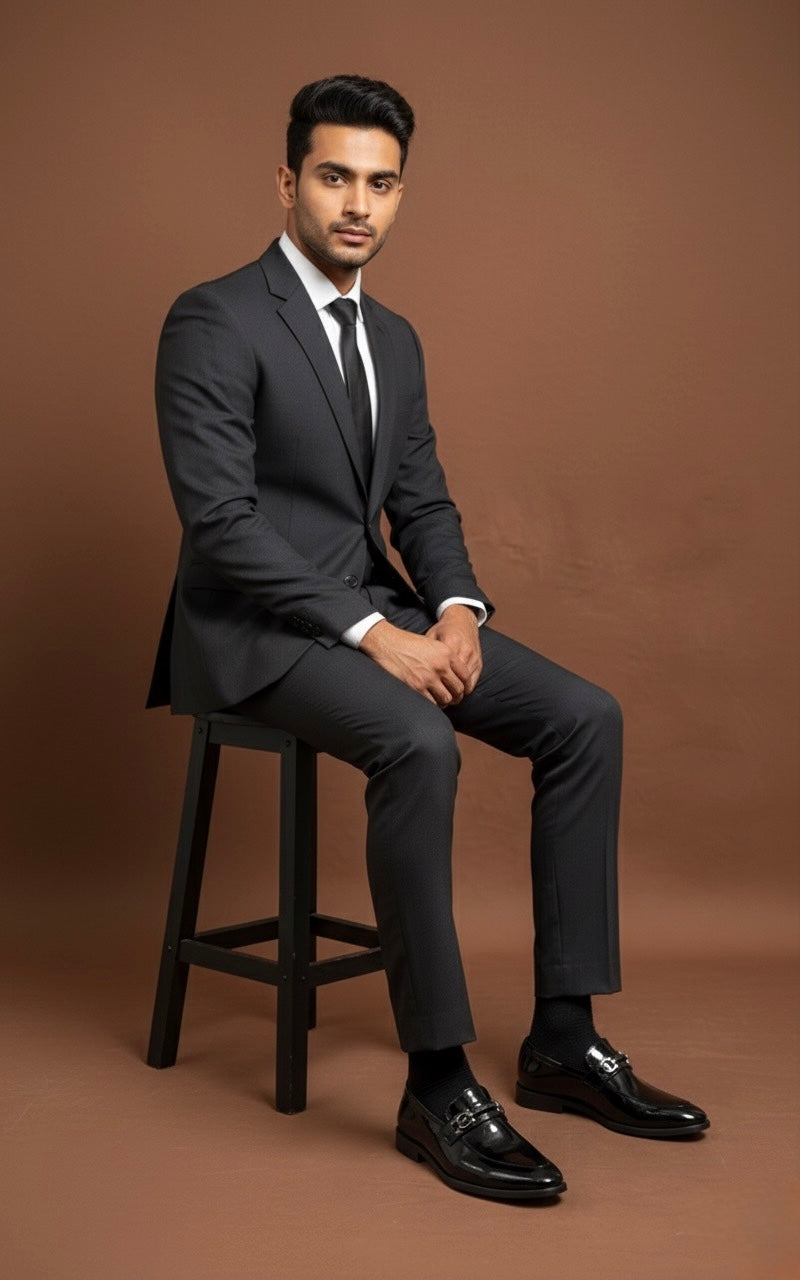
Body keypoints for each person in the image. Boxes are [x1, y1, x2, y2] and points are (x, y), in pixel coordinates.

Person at [148, 74, 708, 1201]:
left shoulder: (392, 339)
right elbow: (218, 523)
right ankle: (437, 1079)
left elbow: (424, 502)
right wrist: (370, 632)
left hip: (377, 612)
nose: (357, 202)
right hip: (254, 630)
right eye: (334, 176)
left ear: (401, 194)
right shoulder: (213, 316)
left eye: (381, 181)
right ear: (288, 181)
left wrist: (453, 610)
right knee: (417, 740)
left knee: (582, 716)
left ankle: (560, 1035)